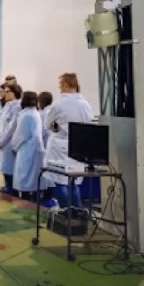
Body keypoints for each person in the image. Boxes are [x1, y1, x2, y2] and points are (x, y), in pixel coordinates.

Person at [43, 73, 94, 208]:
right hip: (79, 148)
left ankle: (67, 212)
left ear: (65, 85)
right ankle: (78, 212)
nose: (59, 88)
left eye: (60, 85)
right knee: (73, 182)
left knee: (60, 182)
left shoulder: (59, 105)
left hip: (60, 148)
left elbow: (47, 124)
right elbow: (89, 126)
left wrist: (55, 127)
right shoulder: (85, 105)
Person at [12, 91, 44, 201]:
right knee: (31, 179)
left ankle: (27, 201)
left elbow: (21, 135)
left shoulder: (27, 115)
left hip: (26, 149)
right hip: (34, 149)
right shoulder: (35, 113)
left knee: (25, 178)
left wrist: (14, 145)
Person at [0, 83, 22, 194]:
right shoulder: (6, 106)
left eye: (8, 91)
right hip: (1, 142)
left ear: (15, 93)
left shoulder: (18, 107)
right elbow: (0, 125)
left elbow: (11, 127)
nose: (5, 93)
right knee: (2, 167)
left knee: (9, 169)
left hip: (9, 143)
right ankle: (5, 187)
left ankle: (12, 191)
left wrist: (1, 141)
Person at [37, 91, 56, 206]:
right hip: (49, 145)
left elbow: (43, 131)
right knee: (49, 173)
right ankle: (48, 195)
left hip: (47, 144)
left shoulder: (43, 113)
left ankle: (48, 196)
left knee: (48, 174)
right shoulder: (49, 111)